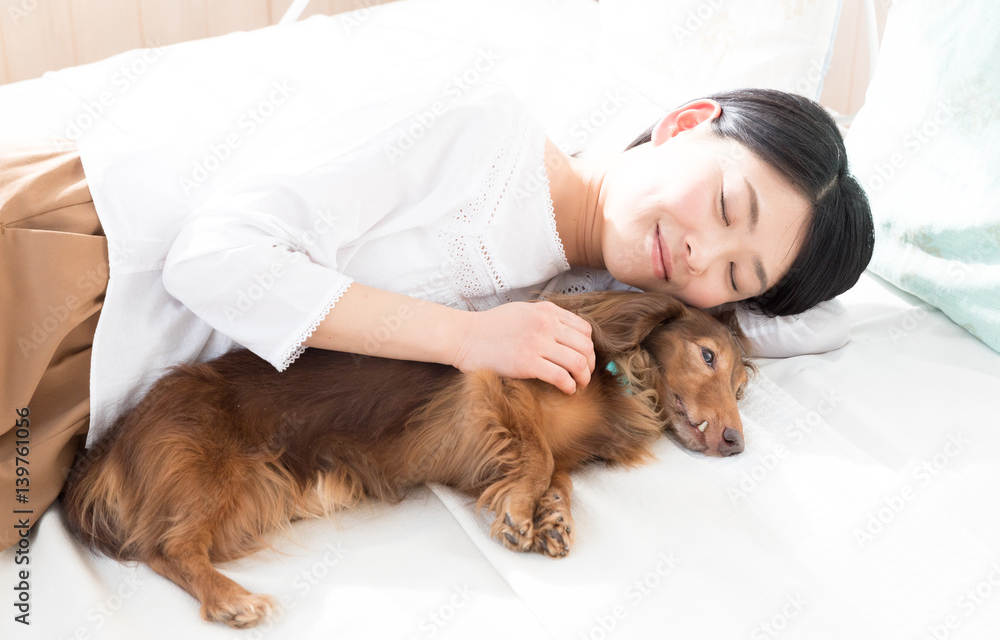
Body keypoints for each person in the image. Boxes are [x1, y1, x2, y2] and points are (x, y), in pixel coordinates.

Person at [0, 85, 874, 550]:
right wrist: (466, 337)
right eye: (724, 202)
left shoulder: (589, 288)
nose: (698, 256)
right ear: (684, 122)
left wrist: (758, 292)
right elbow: (210, 257)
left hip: (103, 405)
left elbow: (827, 325)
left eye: (737, 272)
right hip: (81, 266)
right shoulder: (482, 135)